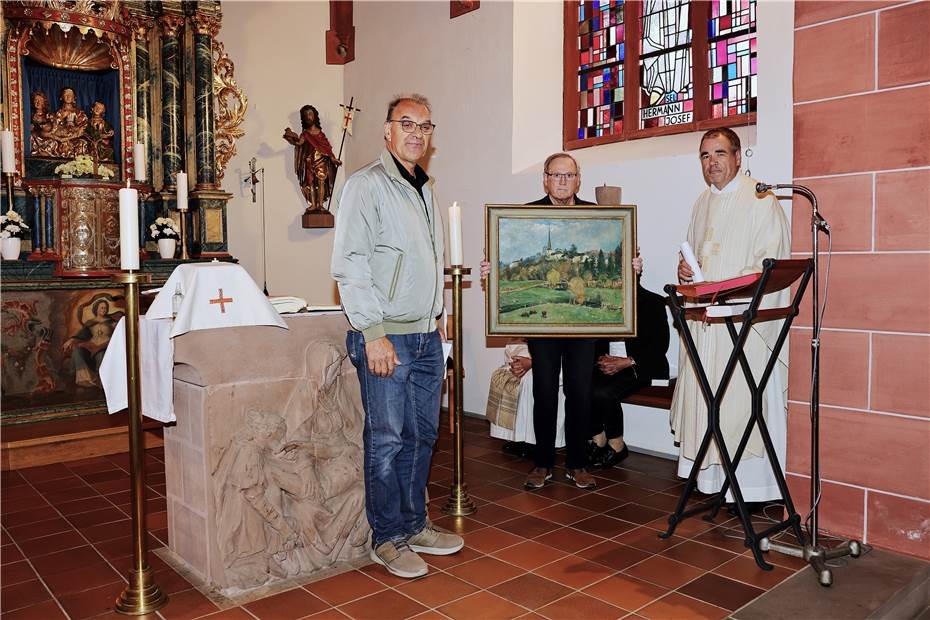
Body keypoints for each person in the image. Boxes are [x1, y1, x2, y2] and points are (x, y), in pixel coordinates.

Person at [331, 94, 463, 580]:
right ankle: (386, 537)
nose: (416, 133)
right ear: (387, 131)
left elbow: (428, 259)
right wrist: (372, 332)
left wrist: (440, 310)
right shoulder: (366, 186)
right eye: (406, 124)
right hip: (389, 337)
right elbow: (350, 264)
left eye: (425, 126)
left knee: (422, 435)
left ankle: (415, 523)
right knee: (386, 439)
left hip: (427, 337)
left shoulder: (423, 188)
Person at [481, 153, 642, 491]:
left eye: (570, 175)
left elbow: (619, 258)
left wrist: (632, 267)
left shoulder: (598, 218)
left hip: (583, 331)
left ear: (578, 179)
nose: (563, 181)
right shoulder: (523, 216)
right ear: (545, 179)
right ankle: (541, 463)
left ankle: (577, 464)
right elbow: (504, 256)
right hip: (544, 330)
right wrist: (491, 271)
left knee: (580, 393)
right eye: (557, 175)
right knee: (543, 393)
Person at [672, 127, 790, 508]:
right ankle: (711, 484)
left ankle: (753, 489)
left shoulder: (762, 200)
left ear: (738, 157)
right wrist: (686, 271)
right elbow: (694, 255)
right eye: (705, 156)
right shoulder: (700, 203)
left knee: (740, 400)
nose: (712, 163)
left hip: (743, 324)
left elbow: (769, 266)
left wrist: (730, 292)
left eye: (719, 154)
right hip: (707, 322)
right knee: (711, 400)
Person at [589, 282, 670, 468]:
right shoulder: (603, 298)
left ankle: (617, 444)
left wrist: (626, 362)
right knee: (580, 385)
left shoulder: (653, 301)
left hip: (639, 365)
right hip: (609, 363)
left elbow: (659, 345)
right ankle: (597, 439)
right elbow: (595, 338)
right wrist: (601, 358)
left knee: (604, 392)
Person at [283, 104, 341, 211]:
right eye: (306, 115)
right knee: (311, 184)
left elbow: (327, 149)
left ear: (315, 116)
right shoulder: (305, 134)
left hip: (321, 161)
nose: (309, 117)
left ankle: (320, 205)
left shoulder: (320, 134)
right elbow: (299, 143)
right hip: (309, 162)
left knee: (321, 182)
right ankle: (314, 204)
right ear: (304, 118)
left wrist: (333, 159)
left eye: (310, 114)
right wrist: (290, 136)